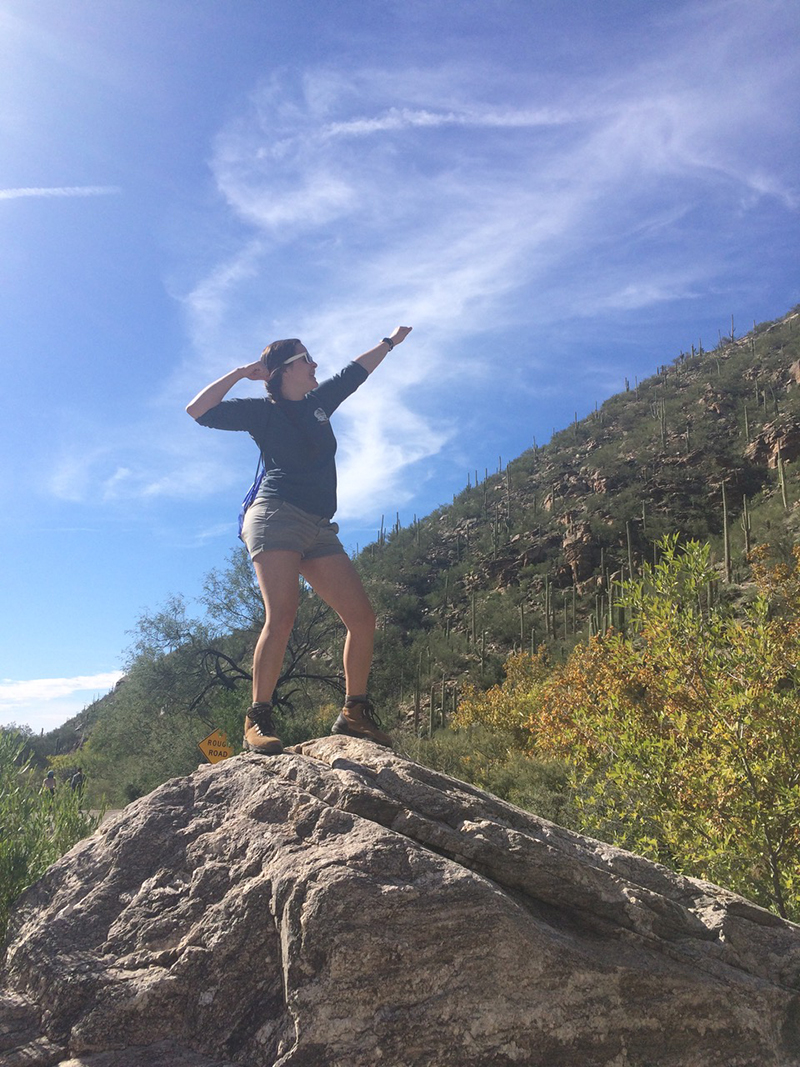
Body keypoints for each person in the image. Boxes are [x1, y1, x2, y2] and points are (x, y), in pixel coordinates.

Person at [186, 326, 412, 755]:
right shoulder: (262, 412)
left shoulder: (317, 403)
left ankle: (353, 714)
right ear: (284, 371)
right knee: (283, 615)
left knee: (362, 619)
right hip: (276, 516)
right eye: (306, 359)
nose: (315, 366)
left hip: (319, 526)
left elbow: (353, 372)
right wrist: (240, 372)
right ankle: (258, 718)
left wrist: (389, 343)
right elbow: (198, 410)